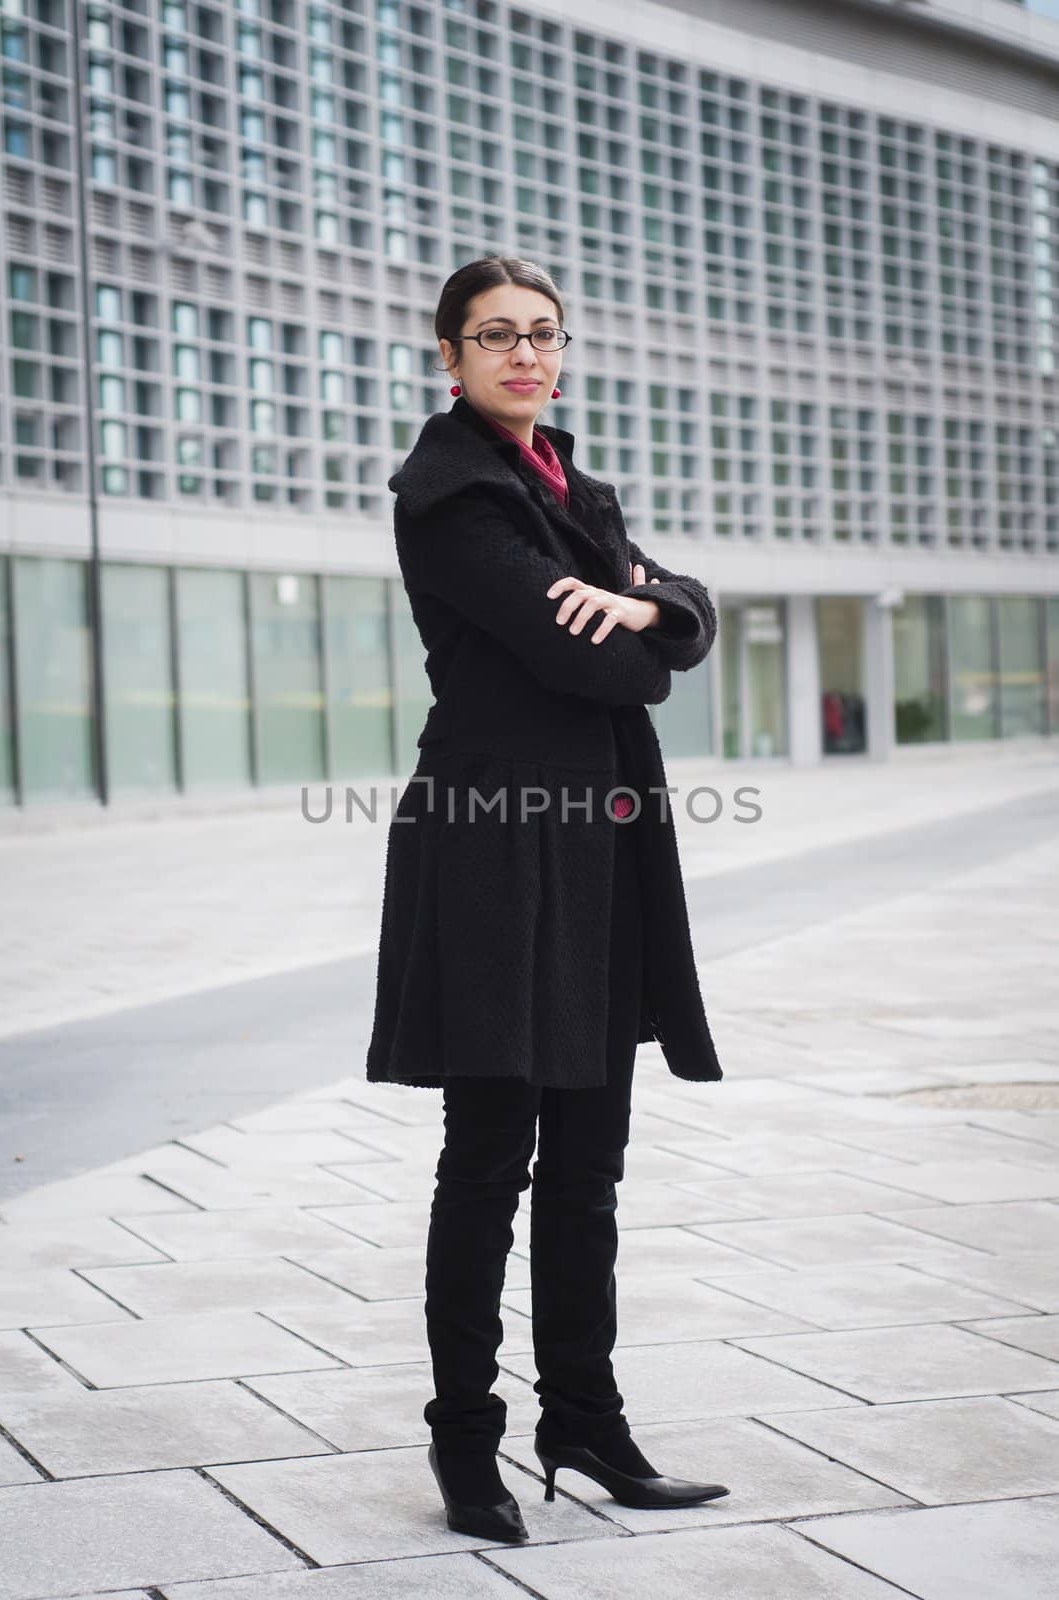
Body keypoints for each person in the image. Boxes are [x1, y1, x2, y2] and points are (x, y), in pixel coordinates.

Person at [365, 255, 728, 1543]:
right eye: (494, 337)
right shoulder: (452, 496)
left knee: (589, 1167)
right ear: (449, 358)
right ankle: (468, 1444)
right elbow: (605, 671)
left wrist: (643, 600)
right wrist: (644, 626)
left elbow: (682, 615)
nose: (524, 355)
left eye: (542, 334)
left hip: (601, 843)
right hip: (495, 841)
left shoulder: (582, 489)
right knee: (489, 1157)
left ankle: (584, 1421)